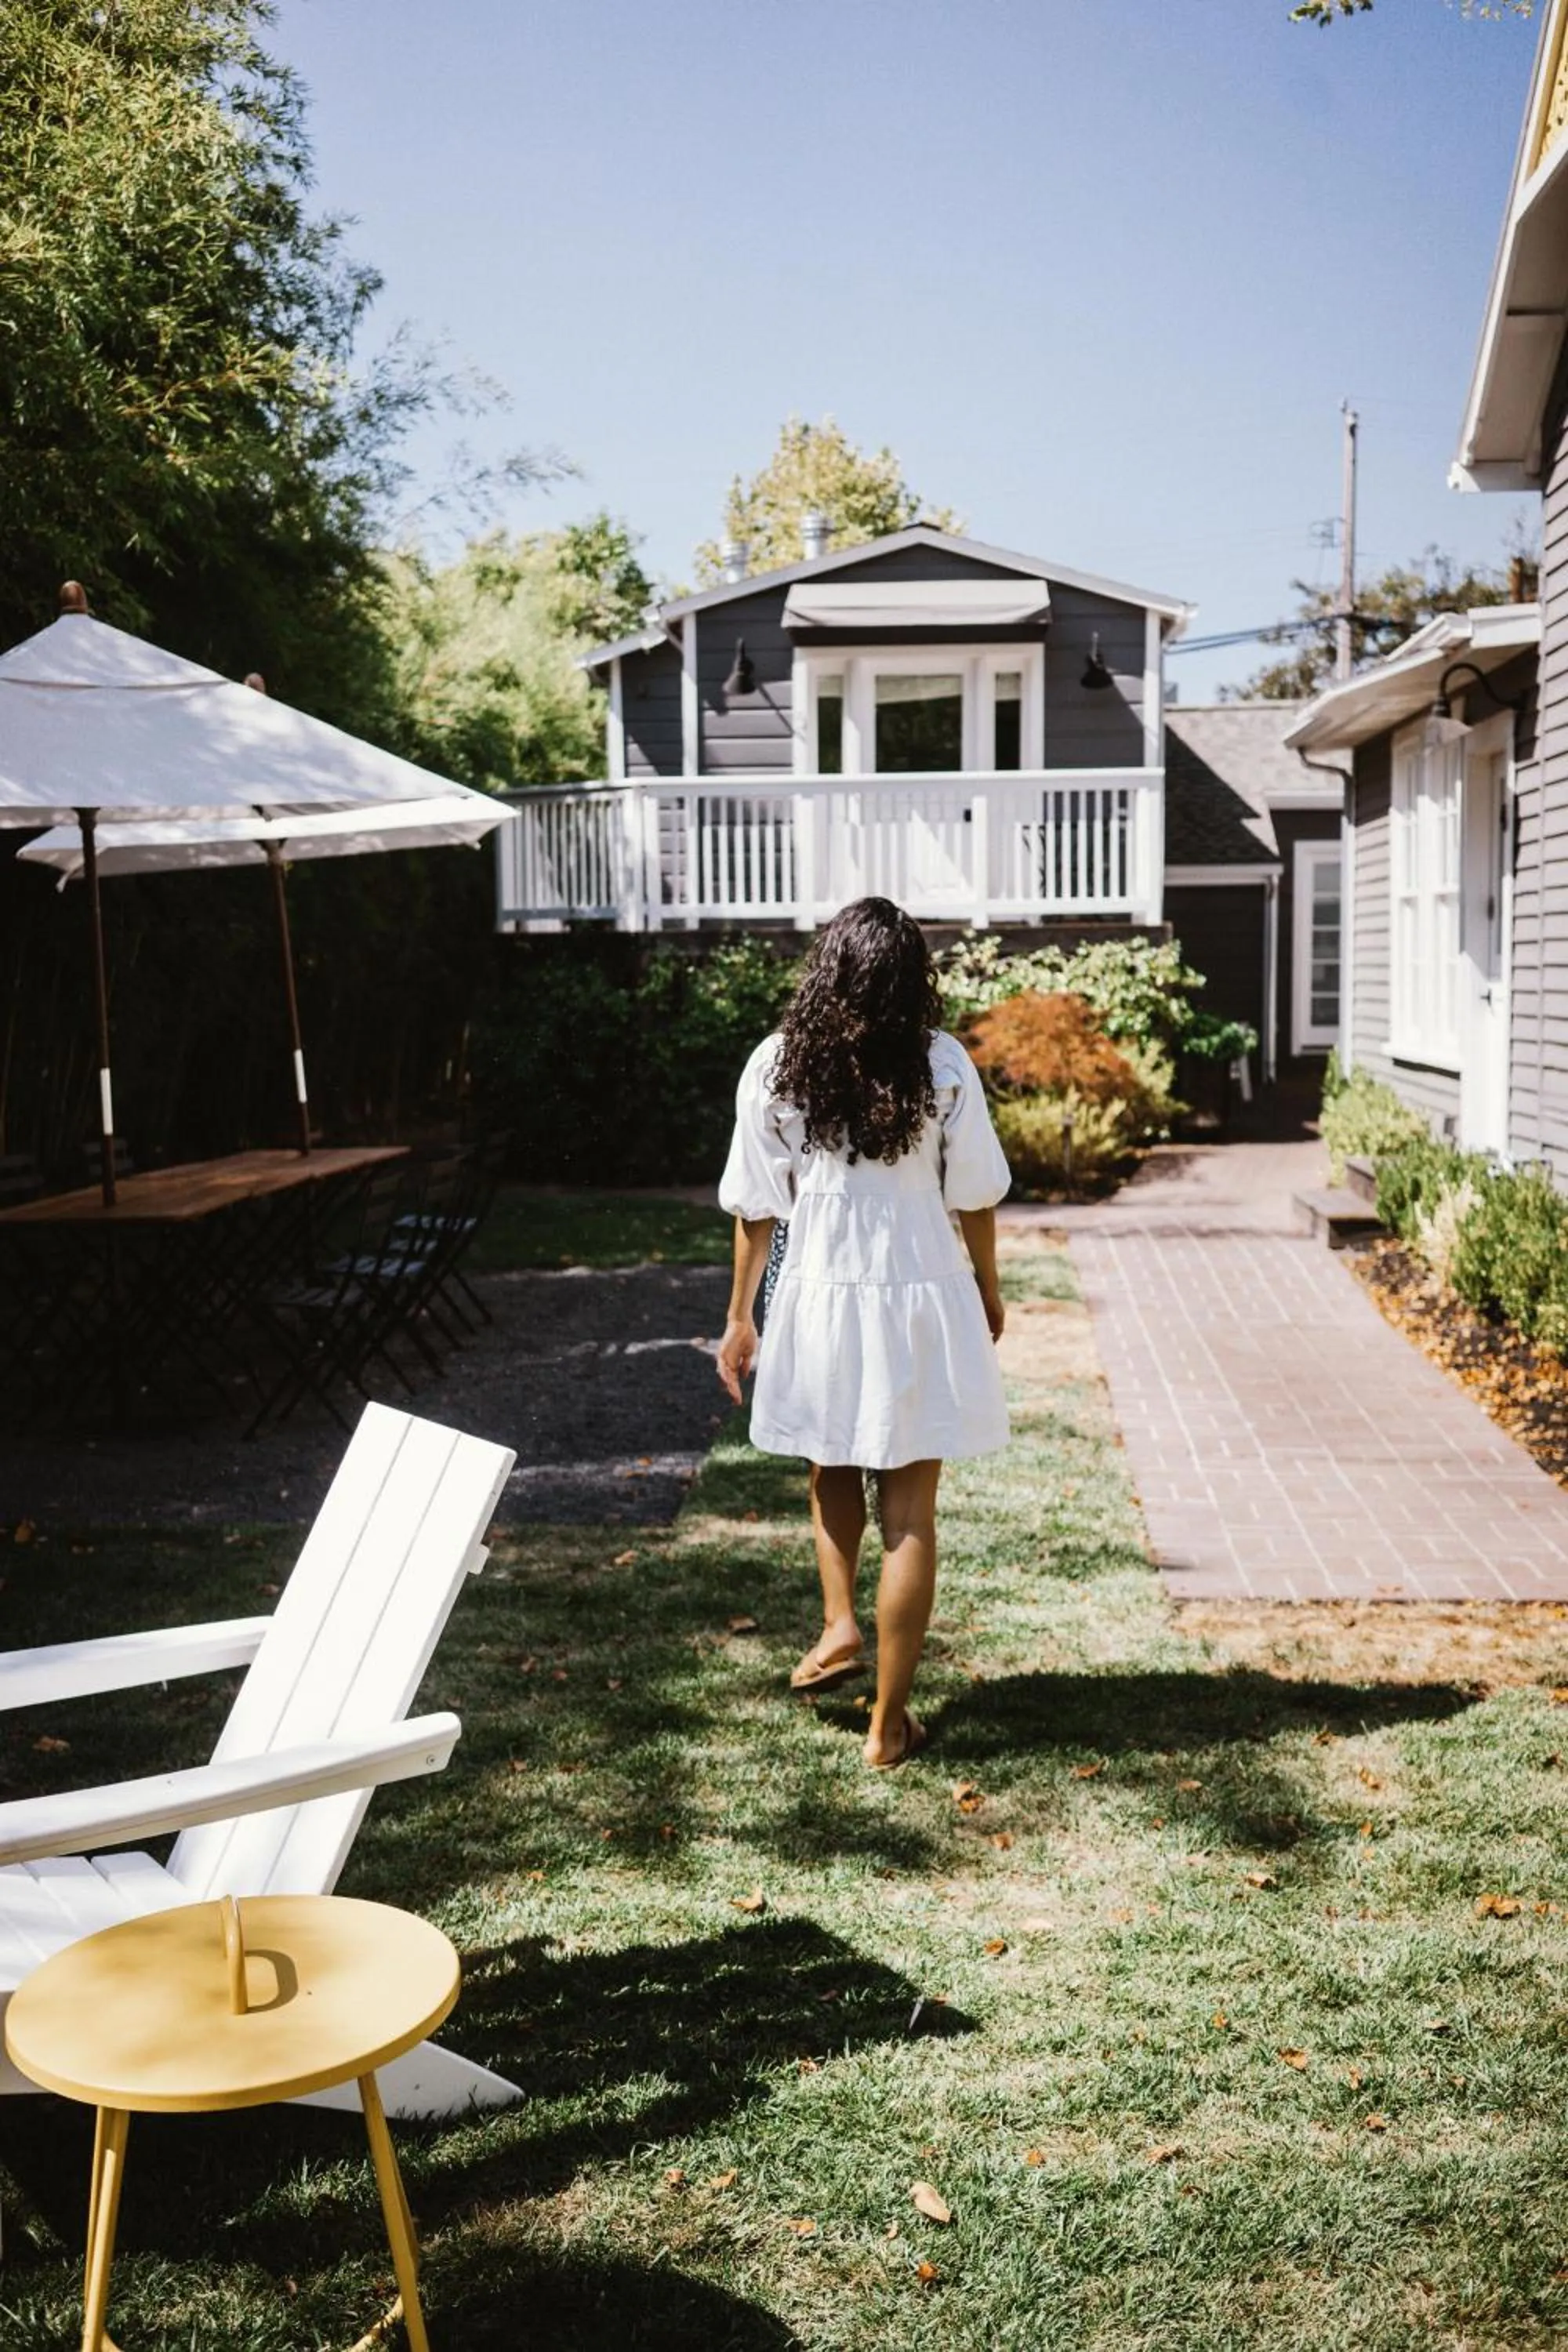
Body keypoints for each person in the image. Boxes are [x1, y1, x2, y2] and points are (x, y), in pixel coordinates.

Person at [716, 896, 1011, 1769]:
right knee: (911, 1510)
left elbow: (754, 1207)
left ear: (827, 970)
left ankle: (839, 1619)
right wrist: (988, 1293)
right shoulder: (942, 1063)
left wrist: (738, 1318)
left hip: (818, 1291)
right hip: (921, 1290)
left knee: (828, 1460)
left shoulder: (777, 1064)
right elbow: (976, 1196)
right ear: (910, 979)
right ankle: (887, 1725)